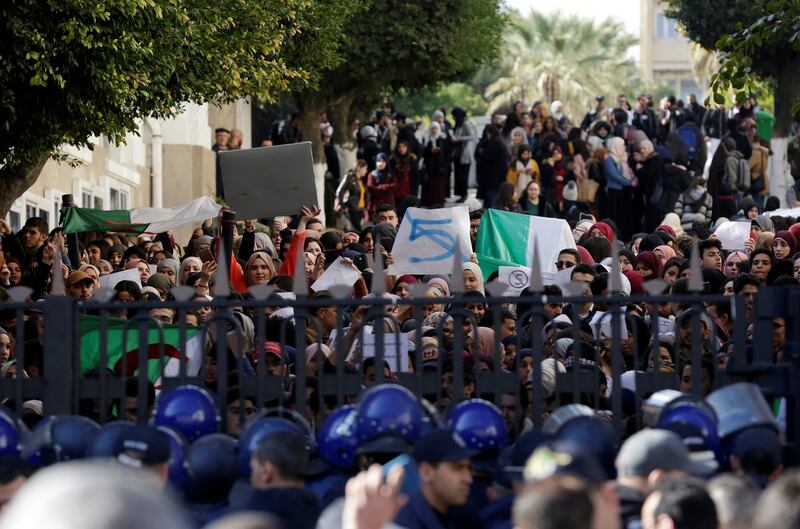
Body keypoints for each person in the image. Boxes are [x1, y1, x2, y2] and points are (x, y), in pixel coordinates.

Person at [224, 431, 320, 529]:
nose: (252, 479)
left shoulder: (255, 512)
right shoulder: (322, 510)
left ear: (267, 471)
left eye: (253, 469)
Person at [394, 429, 476, 529]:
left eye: (469, 468)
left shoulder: (465, 514)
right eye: (457, 468)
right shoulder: (403, 522)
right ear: (426, 472)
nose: (468, 479)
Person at [476, 125, 510, 210]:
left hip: (493, 177)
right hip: (496, 177)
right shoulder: (500, 142)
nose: (487, 136)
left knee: (490, 199)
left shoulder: (495, 144)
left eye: (488, 134)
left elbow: (486, 158)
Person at [451, 108, 478, 203]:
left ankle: (464, 194)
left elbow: (472, 136)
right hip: (458, 154)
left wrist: (459, 138)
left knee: (463, 176)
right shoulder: (459, 124)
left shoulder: (466, 123)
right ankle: (461, 194)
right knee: (459, 175)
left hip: (465, 154)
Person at [422, 122, 449, 208]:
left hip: (440, 166)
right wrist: (431, 151)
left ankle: (439, 202)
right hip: (430, 166)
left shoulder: (442, 138)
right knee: (430, 184)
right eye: (433, 128)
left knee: (439, 184)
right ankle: (430, 202)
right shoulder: (428, 139)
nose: (434, 130)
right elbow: (424, 152)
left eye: (436, 128)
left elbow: (447, 151)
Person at [367, 153, 396, 219]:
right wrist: (386, 189)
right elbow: (371, 188)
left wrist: (380, 187)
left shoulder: (391, 174)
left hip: (389, 204)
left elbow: (394, 187)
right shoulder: (372, 174)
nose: (381, 163)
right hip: (375, 205)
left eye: (383, 161)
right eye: (378, 161)